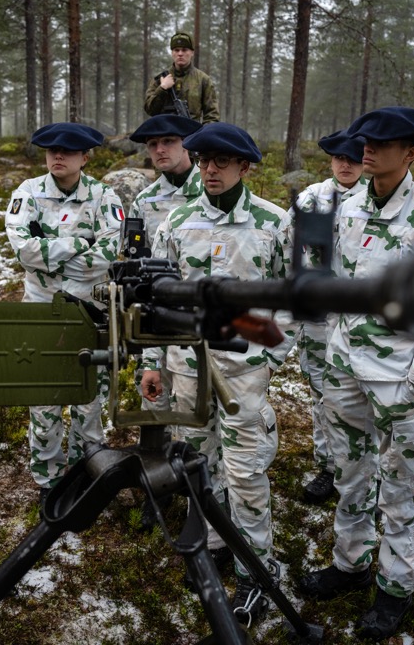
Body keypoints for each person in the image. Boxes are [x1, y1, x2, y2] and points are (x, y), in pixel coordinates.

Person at [298, 107, 414, 639]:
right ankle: (351, 562)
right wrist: (336, 341)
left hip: (396, 377)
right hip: (345, 368)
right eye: (364, 141)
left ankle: (396, 585)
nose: (367, 150)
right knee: (350, 470)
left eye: (383, 144)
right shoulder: (349, 206)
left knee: (401, 480)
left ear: (411, 153)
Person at [140, 122, 292, 626]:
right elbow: (156, 299)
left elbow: (293, 297)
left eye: (221, 163)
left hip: (243, 372)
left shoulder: (273, 222)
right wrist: (152, 364)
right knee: (193, 463)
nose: (209, 170)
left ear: (244, 167)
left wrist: (271, 354)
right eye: (203, 161)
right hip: (187, 370)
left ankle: (255, 567)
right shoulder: (177, 221)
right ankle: (207, 545)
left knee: (246, 473)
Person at [4, 123, 123, 503]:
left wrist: (50, 254)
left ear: (85, 158)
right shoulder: (28, 193)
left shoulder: (105, 197)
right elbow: (23, 250)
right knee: (44, 397)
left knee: (89, 394)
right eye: (51, 150)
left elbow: (106, 255)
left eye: (68, 152)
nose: (57, 156)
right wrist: (78, 243)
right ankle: (49, 480)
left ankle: (89, 466)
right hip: (41, 312)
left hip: (89, 311)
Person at [290, 128, 368, 506]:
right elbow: (291, 247)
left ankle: (363, 467)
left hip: (361, 319)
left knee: (362, 397)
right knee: (322, 393)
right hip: (320, 319)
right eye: (339, 157)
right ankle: (328, 465)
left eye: (353, 157)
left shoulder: (374, 198)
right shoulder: (311, 197)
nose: (345, 164)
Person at [128, 113, 204, 413]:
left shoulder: (210, 190)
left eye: (169, 141)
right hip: (159, 317)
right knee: (155, 408)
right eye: (152, 144)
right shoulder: (144, 201)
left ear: (187, 144)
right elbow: (137, 268)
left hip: (205, 317)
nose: (160, 149)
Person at [144, 32, 220, 124]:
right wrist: (162, 88)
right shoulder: (160, 79)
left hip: (192, 133)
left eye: (184, 50)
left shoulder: (203, 80)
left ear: (192, 52)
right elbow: (150, 110)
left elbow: (212, 115)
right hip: (164, 133)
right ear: (172, 53)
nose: (180, 54)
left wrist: (201, 135)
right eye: (176, 50)